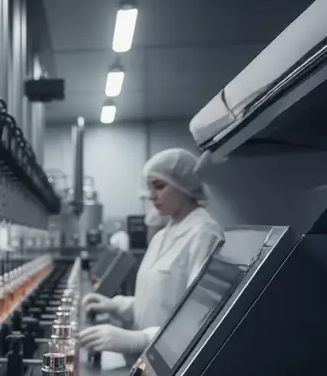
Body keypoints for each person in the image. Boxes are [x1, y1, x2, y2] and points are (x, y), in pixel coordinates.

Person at [79, 148, 223, 360]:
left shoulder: (205, 234)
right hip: (145, 361)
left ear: (183, 185)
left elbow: (200, 317)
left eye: (159, 186)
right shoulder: (162, 236)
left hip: (174, 361)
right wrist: (118, 306)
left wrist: (142, 339)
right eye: (149, 187)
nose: (151, 195)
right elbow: (156, 301)